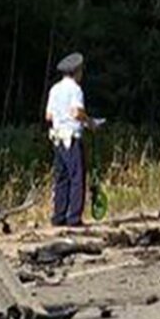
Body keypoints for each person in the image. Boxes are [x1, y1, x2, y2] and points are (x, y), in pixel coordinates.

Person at [45, 51, 89, 228]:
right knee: (77, 176)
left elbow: (48, 116)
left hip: (57, 137)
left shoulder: (54, 89)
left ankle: (58, 216)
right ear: (77, 71)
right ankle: (74, 218)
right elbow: (76, 112)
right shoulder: (76, 90)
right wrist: (90, 122)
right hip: (71, 136)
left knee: (61, 177)